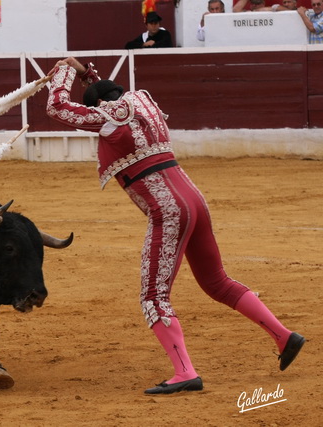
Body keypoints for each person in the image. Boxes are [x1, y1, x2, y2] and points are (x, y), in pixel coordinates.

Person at [45, 56, 306, 395]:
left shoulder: (109, 117)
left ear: (98, 106)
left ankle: (185, 373)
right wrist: (83, 72)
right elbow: (104, 96)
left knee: (154, 296)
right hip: (194, 200)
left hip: (168, 210)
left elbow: (57, 107)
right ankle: (284, 337)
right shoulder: (139, 103)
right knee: (217, 281)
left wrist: (63, 72)